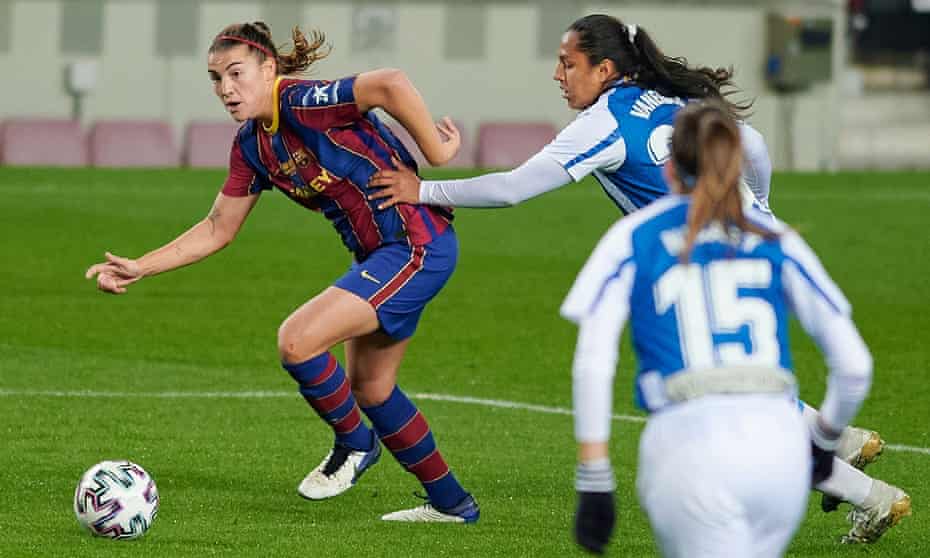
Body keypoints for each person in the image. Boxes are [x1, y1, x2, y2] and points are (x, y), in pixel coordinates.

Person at [367, 13, 908, 542]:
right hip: (762, 247)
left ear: (603, 70)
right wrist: (760, 204)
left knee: (726, 403)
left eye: (567, 63)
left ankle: (870, 494)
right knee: (744, 378)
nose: (558, 75)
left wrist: (425, 192)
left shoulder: (605, 122)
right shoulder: (667, 97)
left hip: (697, 259)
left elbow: (513, 188)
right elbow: (755, 145)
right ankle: (843, 442)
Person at [84, 22, 479, 524]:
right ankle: (452, 504)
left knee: (297, 341)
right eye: (215, 78)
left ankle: (356, 445)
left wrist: (437, 154)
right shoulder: (252, 144)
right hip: (381, 258)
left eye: (236, 73)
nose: (226, 89)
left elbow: (391, 82)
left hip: (416, 246)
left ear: (269, 68)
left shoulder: (303, 102)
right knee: (373, 389)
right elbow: (216, 228)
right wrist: (141, 266)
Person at [559, 101, 882, 556]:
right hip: (779, 452)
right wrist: (823, 446)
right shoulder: (777, 239)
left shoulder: (635, 236)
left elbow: (593, 360)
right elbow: (854, 366)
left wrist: (594, 480)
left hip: (689, 449)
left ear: (670, 167)